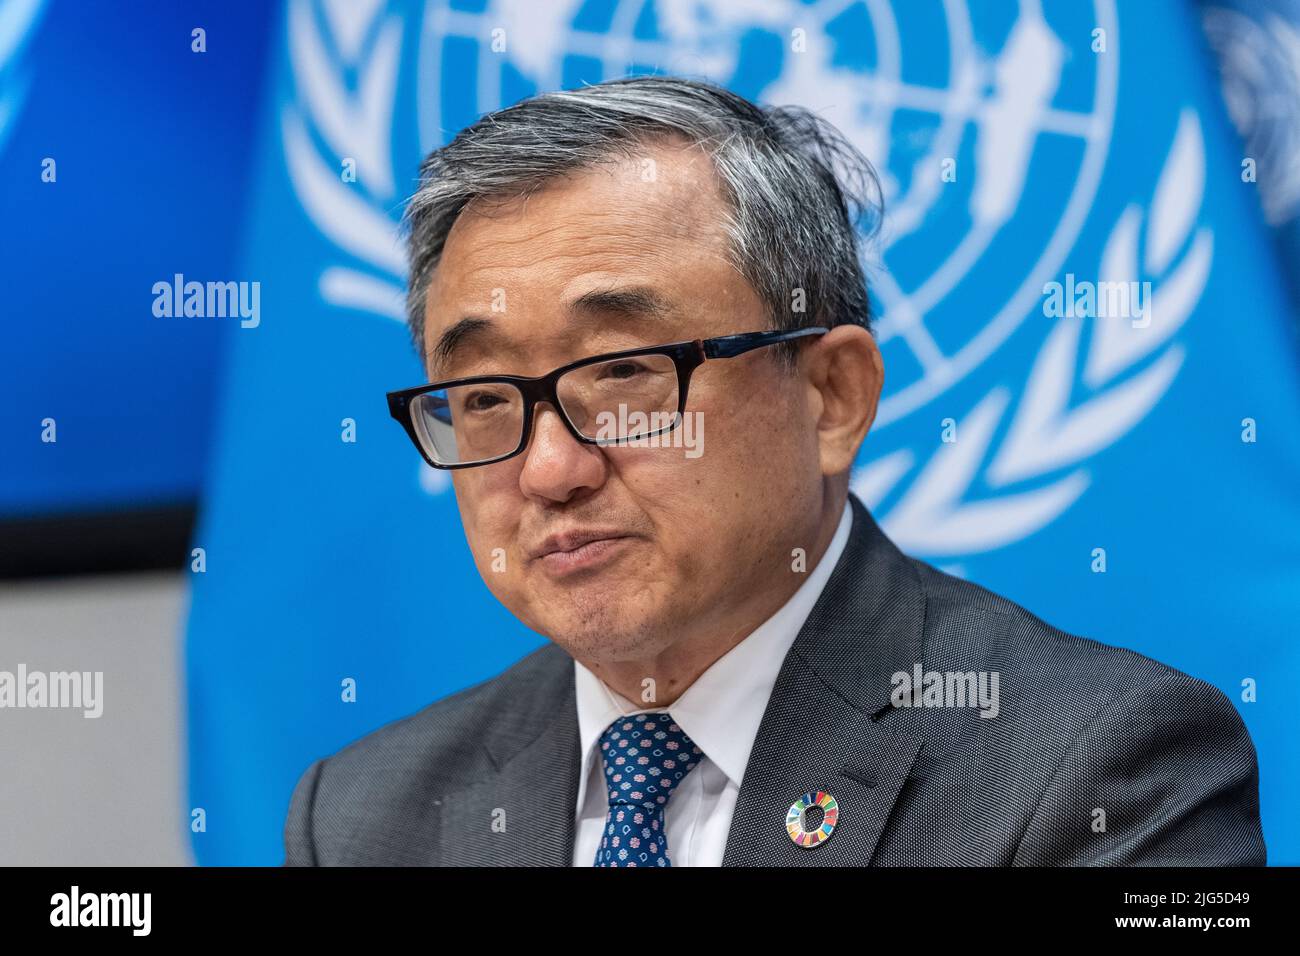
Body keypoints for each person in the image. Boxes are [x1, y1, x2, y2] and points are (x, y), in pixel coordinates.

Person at [283, 76, 1265, 866]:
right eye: (488, 394)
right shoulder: (366, 815)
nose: (549, 468)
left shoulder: (1103, 764)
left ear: (830, 395)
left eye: (624, 371)